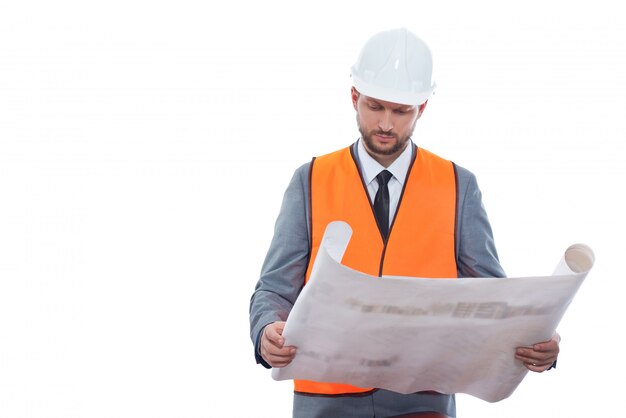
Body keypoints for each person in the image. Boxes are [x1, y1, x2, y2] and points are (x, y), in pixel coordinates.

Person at [249, 28, 560, 418]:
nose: (385, 124)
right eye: (375, 106)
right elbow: (274, 289)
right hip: (325, 402)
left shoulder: (458, 185)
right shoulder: (309, 180)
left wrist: (536, 341)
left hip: (424, 401)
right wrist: (265, 332)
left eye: (401, 111)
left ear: (422, 108)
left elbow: (494, 300)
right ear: (353, 97)